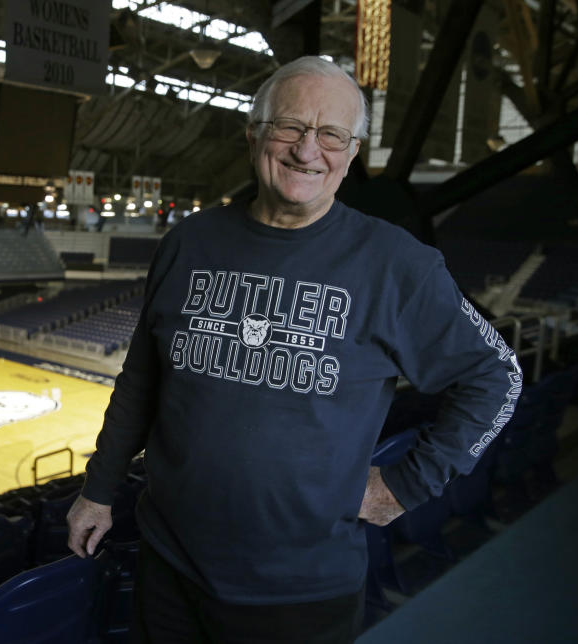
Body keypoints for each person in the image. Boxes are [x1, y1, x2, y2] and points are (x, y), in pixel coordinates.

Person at [66, 56, 523, 643]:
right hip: (169, 565)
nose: (309, 151)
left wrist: (408, 485)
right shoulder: (189, 242)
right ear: (254, 132)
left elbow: (498, 376)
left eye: (332, 134)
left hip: (301, 591)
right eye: (290, 127)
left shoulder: (396, 263)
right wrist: (98, 491)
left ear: (353, 151)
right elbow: (140, 382)